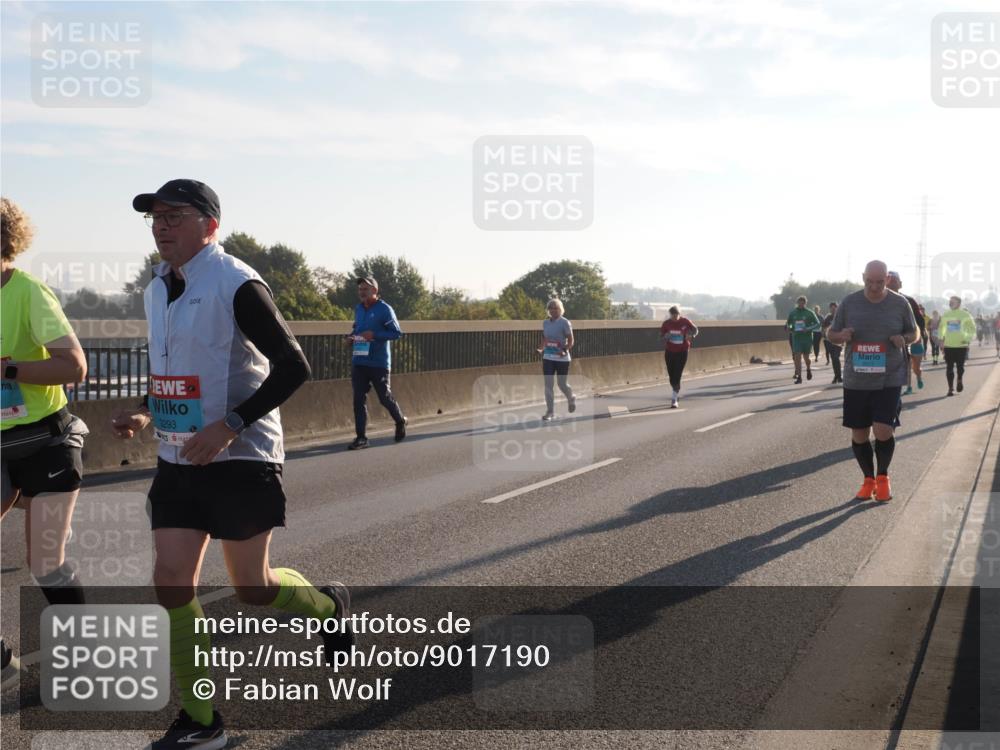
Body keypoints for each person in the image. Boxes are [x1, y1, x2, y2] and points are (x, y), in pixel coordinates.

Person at [111, 180, 353, 750]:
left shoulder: (237, 282)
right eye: (155, 217)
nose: (161, 225)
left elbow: (295, 367)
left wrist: (230, 426)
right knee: (171, 579)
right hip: (178, 458)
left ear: (210, 225)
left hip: (242, 458)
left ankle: (327, 603)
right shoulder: (155, 289)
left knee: (254, 588)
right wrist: (147, 412)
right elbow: (176, 368)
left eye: (175, 215)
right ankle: (201, 720)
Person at [1, 197, 89, 690]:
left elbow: (75, 367)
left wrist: (8, 369)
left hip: (45, 441)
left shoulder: (28, 292)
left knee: (44, 561)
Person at [828, 260, 917, 503]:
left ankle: (883, 478)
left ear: (887, 278)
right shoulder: (849, 302)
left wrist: (903, 339)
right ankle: (868, 480)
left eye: (880, 282)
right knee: (859, 434)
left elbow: (914, 332)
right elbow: (831, 334)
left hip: (889, 376)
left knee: (883, 429)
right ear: (863, 277)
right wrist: (841, 336)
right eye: (870, 281)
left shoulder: (900, 303)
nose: (875, 286)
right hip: (857, 378)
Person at [345, 276, 407, 449]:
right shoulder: (359, 308)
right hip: (359, 360)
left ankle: (400, 420)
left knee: (384, 398)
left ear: (375, 291)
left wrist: (375, 335)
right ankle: (361, 438)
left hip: (379, 363)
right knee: (358, 399)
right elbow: (357, 329)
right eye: (360, 290)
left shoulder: (385, 309)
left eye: (365, 289)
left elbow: (396, 333)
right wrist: (350, 338)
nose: (362, 292)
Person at [886, 271, 924, 395]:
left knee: (912, 366)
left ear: (900, 284)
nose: (890, 284)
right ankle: (905, 387)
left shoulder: (908, 301)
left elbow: (920, 322)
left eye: (894, 281)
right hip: (885, 344)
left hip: (908, 340)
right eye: (888, 281)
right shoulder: (876, 300)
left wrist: (916, 337)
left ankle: (913, 381)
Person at [538, 298, 576, 420]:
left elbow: (571, 340)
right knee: (548, 385)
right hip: (548, 357)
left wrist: (565, 350)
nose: (554, 310)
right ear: (548, 310)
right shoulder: (545, 323)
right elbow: (545, 339)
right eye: (551, 308)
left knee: (562, 384)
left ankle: (570, 397)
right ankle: (550, 412)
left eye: (556, 308)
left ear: (561, 309)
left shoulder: (565, 322)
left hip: (562, 358)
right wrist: (541, 348)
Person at [660, 306, 698, 407]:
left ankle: (674, 398)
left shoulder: (685, 322)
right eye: (673, 315)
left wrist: (692, 335)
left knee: (677, 373)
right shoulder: (666, 324)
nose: (675, 317)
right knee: (671, 375)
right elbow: (662, 336)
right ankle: (675, 389)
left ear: (679, 314)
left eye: (676, 315)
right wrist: (665, 336)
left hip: (682, 351)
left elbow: (695, 330)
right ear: (670, 315)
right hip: (670, 351)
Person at [937, 296, 976, 396]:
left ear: (958, 303)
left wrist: (967, 339)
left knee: (960, 367)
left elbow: (972, 328)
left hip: (961, 345)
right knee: (949, 367)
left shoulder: (965, 314)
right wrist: (941, 340)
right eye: (950, 302)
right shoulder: (946, 314)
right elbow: (941, 328)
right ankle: (950, 389)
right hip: (948, 345)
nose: (950, 303)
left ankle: (959, 379)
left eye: (952, 302)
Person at [785, 296, 821, 384]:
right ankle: (799, 377)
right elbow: (788, 324)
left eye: (803, 302)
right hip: (796, 338)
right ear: (797, 303)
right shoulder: (793, 313)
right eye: (799, 302)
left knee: (806, 358)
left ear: (805, 303)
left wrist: (808, 328)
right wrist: (790, 328)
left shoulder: (810, 313)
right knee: (797, 357)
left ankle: (808, 369)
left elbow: (818, 324)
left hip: (807, 338)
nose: (801, 304)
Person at [821, 302, 843, 384]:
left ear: (837, 308)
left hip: (838, 341)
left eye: (835, 308)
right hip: (829, 341)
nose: (833, 310)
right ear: (830, 309)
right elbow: (823, 328)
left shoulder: (841, 317)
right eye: (831, 308)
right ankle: (836, 376)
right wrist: (825, 331)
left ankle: (839, 376)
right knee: (833, 359)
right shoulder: (828, 318)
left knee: (836, 357)